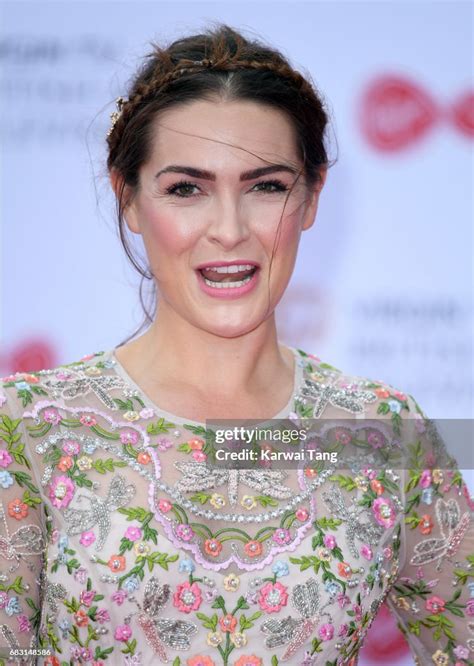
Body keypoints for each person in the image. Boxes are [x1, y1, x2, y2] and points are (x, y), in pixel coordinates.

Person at [0, 24, 472, 666]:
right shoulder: (28, 429)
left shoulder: (384, 434)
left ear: (310, 197)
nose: (228, 230)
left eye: (266, 186)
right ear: (129, 199)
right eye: (186, 189)